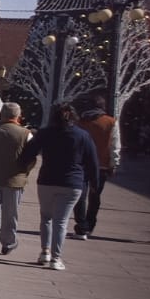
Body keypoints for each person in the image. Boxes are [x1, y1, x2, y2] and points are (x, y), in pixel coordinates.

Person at [19, 102, 98, 272]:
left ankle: (45, 252)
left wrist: (21, 167)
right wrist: (94, 184)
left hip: (47, 180)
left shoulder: (45, 133)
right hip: (72, 182)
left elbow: (29, 153)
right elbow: (92, 162)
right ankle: (56, 258)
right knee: (61, 221)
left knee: (46, 217)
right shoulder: (83, 135)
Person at [0, 102, 33, 260]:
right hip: (14, 180)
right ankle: (8, 243)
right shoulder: (25, 133)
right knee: (10, 214)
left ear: (1, 114)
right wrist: (25, 172)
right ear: (18, 116)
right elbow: (31, 157)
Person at [73, 93, 119, 239]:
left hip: (81, 164)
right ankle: (89, 224)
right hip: (101, 165)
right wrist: (114, 163)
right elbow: (114, 145)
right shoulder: (111, 122)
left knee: (80, 195)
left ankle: (81, 226)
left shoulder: (81, 122)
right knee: (95, 196)